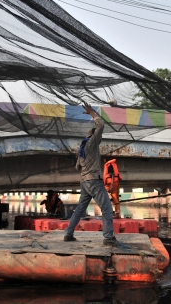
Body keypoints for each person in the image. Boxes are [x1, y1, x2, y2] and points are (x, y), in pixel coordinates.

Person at [64, 102, 117, 246]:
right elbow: (101, 125)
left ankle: (68, 234)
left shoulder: (82, 147)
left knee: (80, 209)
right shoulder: (92, 143)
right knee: (106, 209)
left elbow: (78, 166)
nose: (100, 140)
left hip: (85, 182)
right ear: (95, 137)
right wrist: (92, 113)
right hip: (94, 181)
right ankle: (108, 237)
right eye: (99, 138)